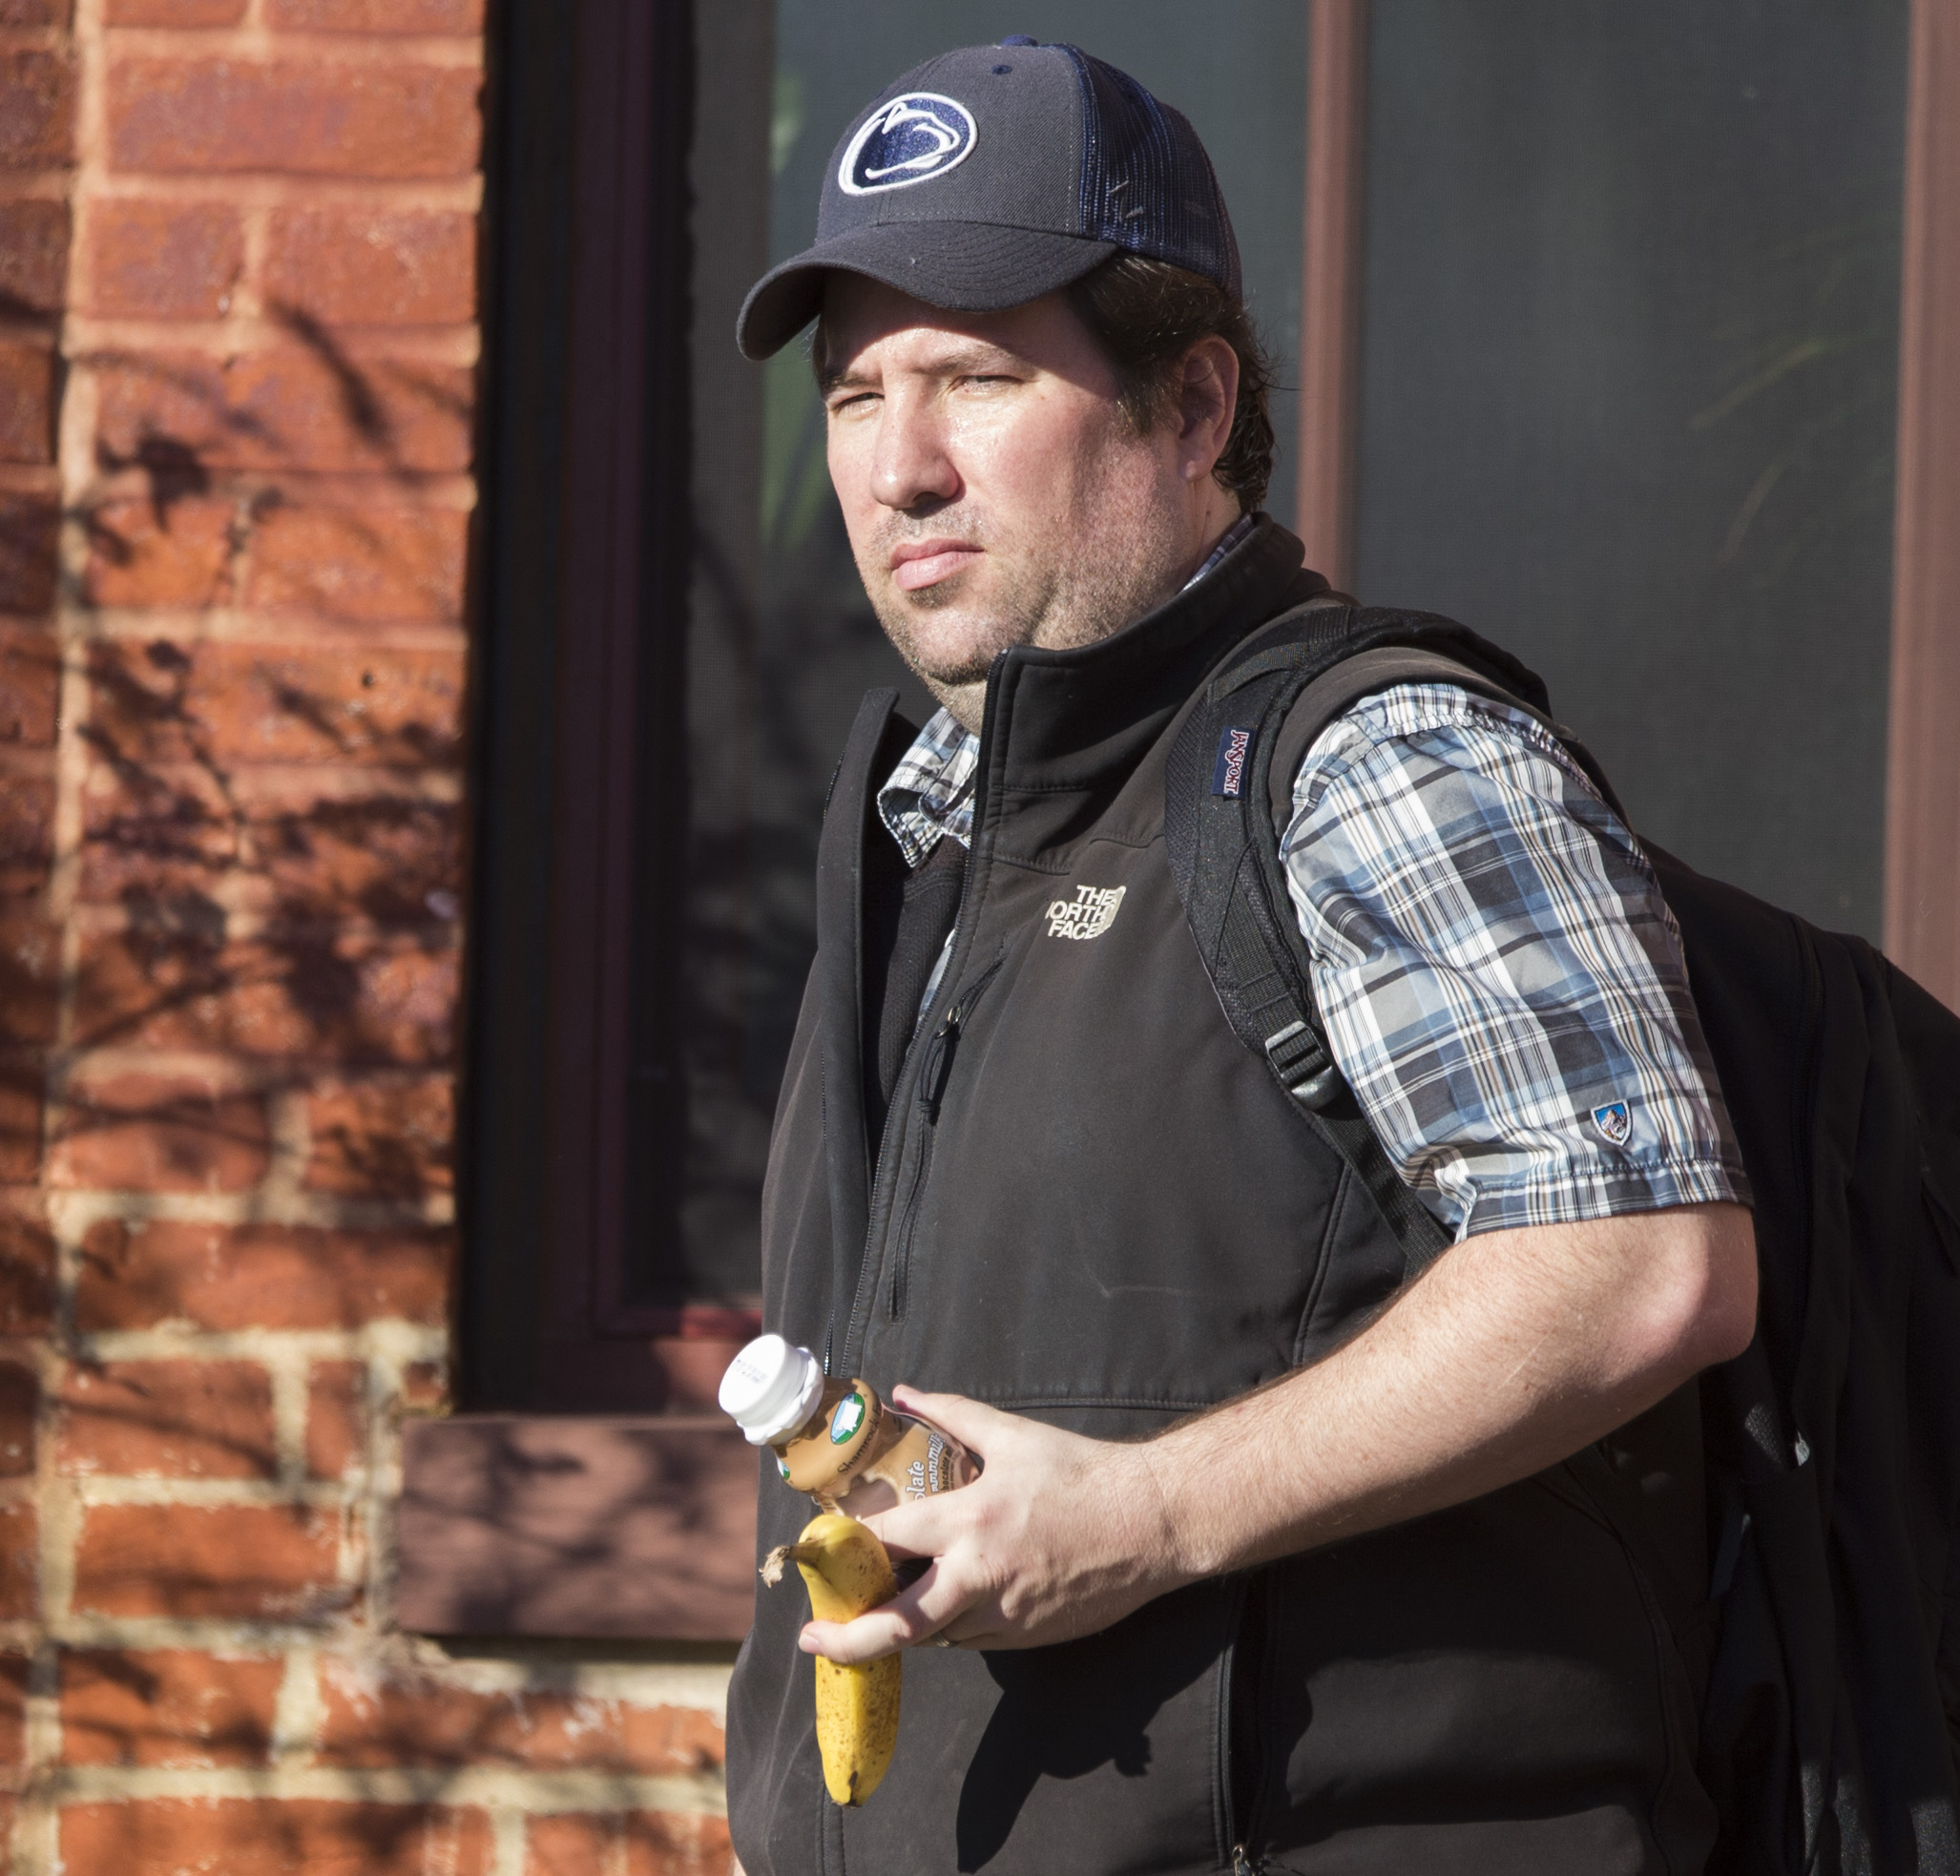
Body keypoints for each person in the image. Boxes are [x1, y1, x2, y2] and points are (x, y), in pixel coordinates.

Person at [725, 38, 1759, 1875]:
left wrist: (1147, 1512)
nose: (899, 465)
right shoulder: (923, 831)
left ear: (1190, 405)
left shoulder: (1370, 760)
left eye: (974, 375)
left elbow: (1636, 1259)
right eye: (853, 390)